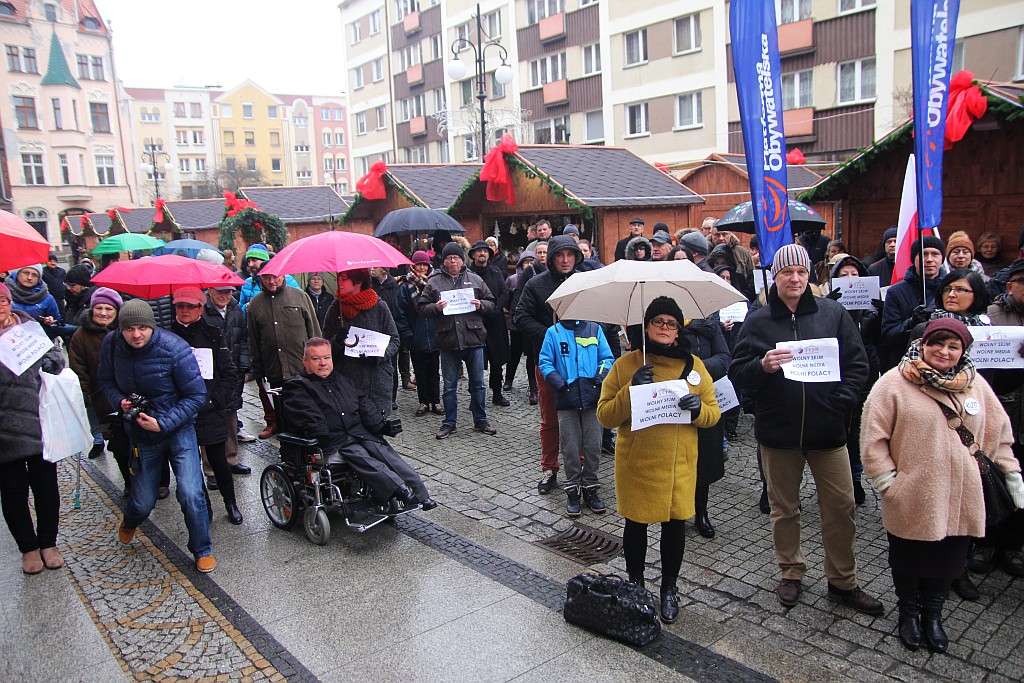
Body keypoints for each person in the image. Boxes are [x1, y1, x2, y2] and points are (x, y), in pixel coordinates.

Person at [729, 243, 883, 614]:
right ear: (775, 277)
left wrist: (841, 402)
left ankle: (843, 581)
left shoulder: (832, 313)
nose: (794, 279)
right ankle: (791, 571)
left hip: (828, 432)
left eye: (800, 272)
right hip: (778, 434)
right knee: (784, 508)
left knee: (841, 506)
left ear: (809, 276)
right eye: (786, 273)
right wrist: (762, 368)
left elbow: (858, 364)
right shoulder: (759, 320)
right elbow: (738, 372)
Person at [861, 318, 1024, 653]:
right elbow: (873, 439)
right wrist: (888, 482)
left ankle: (933, 615)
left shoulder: (976, 386)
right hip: (912, 493)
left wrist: (1012, 474)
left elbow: (999, 437)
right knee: (908, 559)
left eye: (954, 346)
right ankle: (908, 613)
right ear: (923, 344)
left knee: (949, 560)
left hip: (962, 493)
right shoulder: (893, 383)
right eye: (938, 344)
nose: (944, 352)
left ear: (963, 351)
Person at [597, 297, 721, 624]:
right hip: (637, 463)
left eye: (671, 323)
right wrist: (630, 391)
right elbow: (605, 416)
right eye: (658, 322)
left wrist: (699, 410)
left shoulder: (694, 367)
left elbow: (713, 414)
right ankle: (636, 584)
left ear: (678, 329)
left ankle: (669, 587)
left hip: (678, 464)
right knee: (636, 525)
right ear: (647, 326)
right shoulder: (626, 365)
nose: (665, 328)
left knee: (674, 525)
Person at [98, 299, 216, 573]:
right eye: (129, 329)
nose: (135, 334)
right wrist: (120, 402)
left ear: (152, 326)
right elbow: (105, 380)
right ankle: (129, 520)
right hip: (141, 432)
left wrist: (163, 423)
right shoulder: (112, 344)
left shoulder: (174, 348)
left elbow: (196, 395)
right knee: (142, 501)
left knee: (190, 491)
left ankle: (202, 549)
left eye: (141, 328)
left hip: (178, 429)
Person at [282, 338, 436, 510]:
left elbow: (365, 405)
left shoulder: (343, 380)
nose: (323, 363)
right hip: (332, 440)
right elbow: (308, 415)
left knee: (384, 452)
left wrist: (381, 426)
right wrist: (326, 435)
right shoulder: (297, 387)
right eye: (316, 359)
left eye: (326, 358)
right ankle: (401, 490)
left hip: (358, 433)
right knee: (362, 456)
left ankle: (421, 494)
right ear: (305, 361)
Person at [0, 282, 66, 575]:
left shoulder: (28, 329)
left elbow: (56, 361)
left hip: (38, 421)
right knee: (13, 491)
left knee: (46, 487)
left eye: (2, 300)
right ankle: (28, 548)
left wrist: (52, 360)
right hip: (3, 429)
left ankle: (48, 542)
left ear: (9, 302)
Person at [516, 236, 584, 493]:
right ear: (553, 257)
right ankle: (549, 468)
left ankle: (577, 468)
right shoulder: (536, 284)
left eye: (570, 254)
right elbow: (521, 316)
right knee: (551, 419)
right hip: (548, 363)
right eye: (560, 255)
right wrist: (551, 335)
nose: (565, 260)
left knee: (578, 416)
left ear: (577, 257)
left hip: (580, 363)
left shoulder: (584, 282)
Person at [170, 287, 242, 525]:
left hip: (209, 407)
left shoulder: (212, 333)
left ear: (201, 308)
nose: (185, 311)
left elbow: (229, 372)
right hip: (181, 410)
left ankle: (230, 502)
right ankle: (204, 506)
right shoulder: (168, 336)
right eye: (180, 306)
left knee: (218, 459)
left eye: (190, 306)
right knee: (190, 462)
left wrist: (215, 399)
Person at [417, 242, 497, 439]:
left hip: (474, 339)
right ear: (443, 261)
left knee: (478, 383)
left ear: (462, 260)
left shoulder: (475, 279)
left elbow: (491, 303)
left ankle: (481, 420)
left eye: (456, 257)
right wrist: (435, 307)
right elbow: (422, 307)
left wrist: (481, 305)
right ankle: (449, 423)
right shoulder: (434, 282)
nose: (453, 261)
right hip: (448, 340)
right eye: (449, 258)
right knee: (450, 385)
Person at [539, 317, 614, 518]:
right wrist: (560, 383)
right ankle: (573, 489)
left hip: (592, 396)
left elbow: (607, 358)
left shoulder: (595, 328)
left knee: (593, 444)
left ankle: (591, 487)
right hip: (566, 397)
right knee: (570, 446)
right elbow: (545, 361)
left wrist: (599, 378)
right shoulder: (553, 332)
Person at [978, 259, 1024, 577]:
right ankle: (985, 543)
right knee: (990, 477)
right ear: (1010, 286)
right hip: (999, 410)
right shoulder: (990, 318)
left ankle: (1012, 545)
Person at [828, 255, 883, 505]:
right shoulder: (829, 306)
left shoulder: (872, 307)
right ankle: (835, 479)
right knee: (838, 427)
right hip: (835, 373)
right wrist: (828, 308)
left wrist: (881, 316)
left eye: (854, 274)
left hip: (866, 371)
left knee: (856, 430)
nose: (850, 279)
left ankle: (856, 478)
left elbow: (884, 340)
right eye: (844, 275)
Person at [247, 270, 321, 438]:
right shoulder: (256, 304)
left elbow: (314, 331)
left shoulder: (300, 296)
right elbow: (254, 339)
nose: (271, 281)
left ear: (282, 276)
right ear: (261, 279)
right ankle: (284, 437)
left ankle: (307, 437)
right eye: (267, 278)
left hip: (299, 365)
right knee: (280, 406)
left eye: (275, 276)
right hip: (274, 366)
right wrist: (258, 369)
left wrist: (318, 360)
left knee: (305, 406)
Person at [323, 268, 400, 418]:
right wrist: (337, 340)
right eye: (338, 278)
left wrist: (379, 356)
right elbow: (325, 347)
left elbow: (394, 340)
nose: (339, 282)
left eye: (344, 278)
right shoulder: (335, 308)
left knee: (376, 428)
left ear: (358, 281)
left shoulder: (379, 306)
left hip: (375, 382)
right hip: (345, 381)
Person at [68, 287, 127, 468]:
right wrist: (84, 394)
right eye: (99, 308)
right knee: (115, 442)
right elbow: (78, 366)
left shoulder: (125, 330)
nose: (103, 313)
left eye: (109, 309)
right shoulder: (80, 336)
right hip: (99, 400)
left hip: (126, 396)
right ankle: (100, 442)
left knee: (134, 441)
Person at [202, 285, 254, 469]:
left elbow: (244, 338)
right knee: (210, 419)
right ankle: (211, 466)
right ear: (210, 291)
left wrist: (244, 365)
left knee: (231, 414)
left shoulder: (235, 309)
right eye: (220, 291)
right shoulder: (203, 310)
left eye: (228, 291)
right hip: (211, 374)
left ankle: (231, 459)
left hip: (232, 372)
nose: (225, 295)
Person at [881, 235, 945, 354]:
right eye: (923, 254)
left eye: (935, 254)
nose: (929, 259)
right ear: (913, 258)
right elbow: (888, 335)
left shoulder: (951, 289)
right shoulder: (896, 292)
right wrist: (911, 322)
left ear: (942, 258)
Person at [395, 251, 441, 416]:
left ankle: (436, 401)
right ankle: (423, 401)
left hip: (434, 335)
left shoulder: (435, 283)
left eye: (424, 264)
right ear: (413, 265)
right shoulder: (405, 286)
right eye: (419, 264)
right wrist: (408, 335)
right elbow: (400, 313)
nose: (422, 267)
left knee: (434, 371)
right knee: (420, 371)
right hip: (416, 335)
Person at [468, 240, 511, 407]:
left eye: (485, 251)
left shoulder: (496, 271)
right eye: (478, 251)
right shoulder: (468, 273)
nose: (482, 254)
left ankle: (497, 392)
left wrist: (495, 309)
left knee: (497, 359)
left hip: (495, 321)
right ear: (473, 255)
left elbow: (504, 293)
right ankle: (475, 395)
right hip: (474, 321)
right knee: (473, 359)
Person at [371, 266, 413, 404]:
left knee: (392, 365)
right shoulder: (370, 285)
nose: (372, 269)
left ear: (384, 270)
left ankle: (392, 397)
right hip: (375, 330)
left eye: (375, 267)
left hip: (393, 329)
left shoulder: (395, 286)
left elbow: (401, 307)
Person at [6, 264, 75, 345]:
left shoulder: (46, 298)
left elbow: (57, 323)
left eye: (34, 275)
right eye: (26, 273)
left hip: (40, 345)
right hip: (10, 345)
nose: (29, 278)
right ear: (17, 273)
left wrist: (51, 322)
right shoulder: (4, 295)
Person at [504, 250, 537, 400]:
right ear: (521, 264)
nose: (529, 265)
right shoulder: (512, 279)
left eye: (532, 261)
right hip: (516, 322)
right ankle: (508, 379)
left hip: (531, 323)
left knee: (531, 355)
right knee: (514, 353)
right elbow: (509, 298)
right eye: (526, 262)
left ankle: (533, 386)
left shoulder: (538, 279)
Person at [41, 253, 67, 319]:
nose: (53, 263)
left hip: (61, 299)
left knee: (62, 314)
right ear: (46, 262)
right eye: (50, 261)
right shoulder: (43, 272)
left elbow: (66, 282)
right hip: (49, 298)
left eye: (54, 261)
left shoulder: (61, 271)